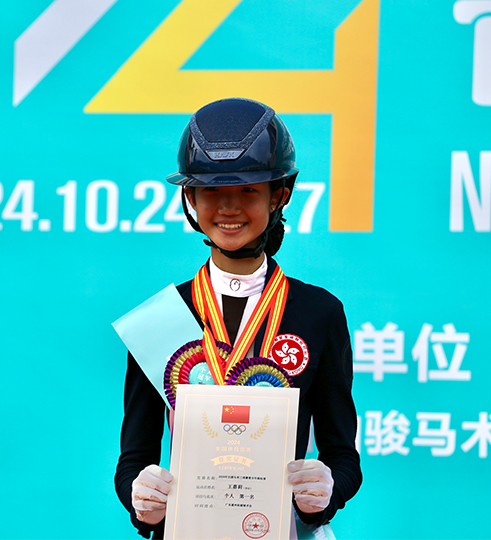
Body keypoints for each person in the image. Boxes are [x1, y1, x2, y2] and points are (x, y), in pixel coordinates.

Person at [115, 98, 362, 538]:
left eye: (248, 190)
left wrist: (326, 491)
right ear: (189, 197)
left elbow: (343, 456)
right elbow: (134, 458)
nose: (228, 207)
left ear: (279, 195)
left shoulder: (319, 312)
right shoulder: (158, 320)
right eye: (210, 190)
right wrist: (142, 499)